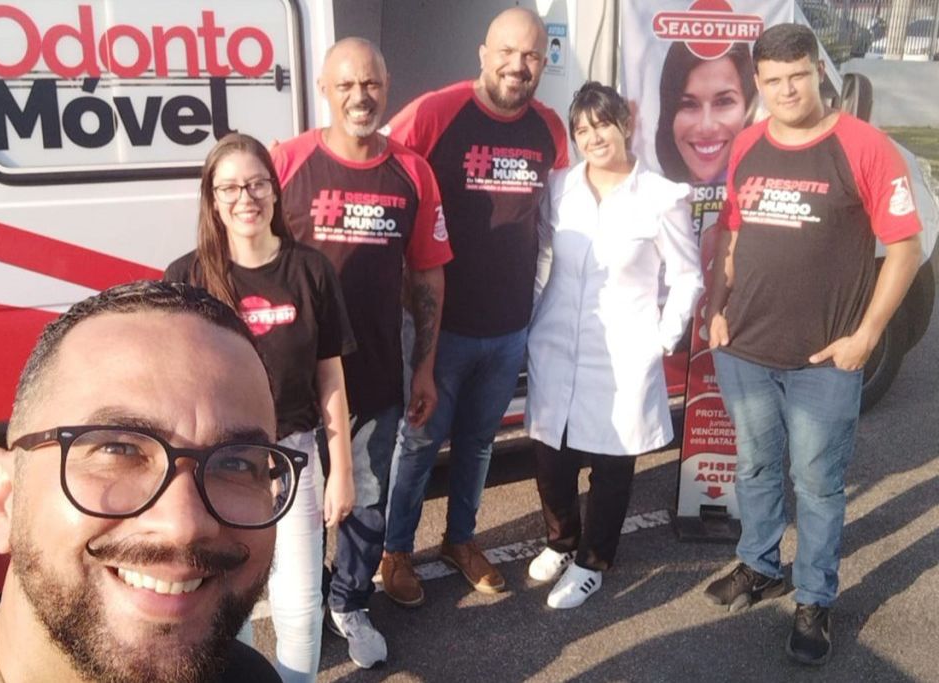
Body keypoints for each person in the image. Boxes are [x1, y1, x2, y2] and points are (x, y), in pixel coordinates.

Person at [0, 280, 295, 683]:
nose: (183, 525)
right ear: (4, 498)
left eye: (236, 463)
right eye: (118, 449)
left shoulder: (246, 675)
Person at [702, 24, 922, 666]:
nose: (786, 90)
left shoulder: (864, 146)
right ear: (758, 83)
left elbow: (904, 249)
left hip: (825, 359)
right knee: (755, 468)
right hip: (746, 349)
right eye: (772, 81)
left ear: (819, 72)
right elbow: (731, 233)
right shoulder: (748, 144)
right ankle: (759, 564)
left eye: (797, 75)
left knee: (819, 485)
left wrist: (867, 336)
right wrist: (716, 308)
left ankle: (815, 598)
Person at [270, 38, 451, 669]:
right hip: (292, 383)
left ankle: (348, 601)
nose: (359, 97)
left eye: (370, 84)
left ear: (387, 86)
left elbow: (427, 276)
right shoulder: (286, 163)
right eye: (345, 85)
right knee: (288, 506)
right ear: (324, 89)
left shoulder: (412, 172)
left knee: (366, 502)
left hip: (373, 375)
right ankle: (299, 600)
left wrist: (423, 367)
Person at [382, 7, 568, 603]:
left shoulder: (550, 128)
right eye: (507, 52)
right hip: (438, 327)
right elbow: (375, 170)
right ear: (484, 55)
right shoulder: (435, 112)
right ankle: (395, 550)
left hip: (510, 325)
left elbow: (571, 211)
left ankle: (459, 540)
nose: (519, 65)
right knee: (418, 443)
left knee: (480, 443)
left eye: (532, 54)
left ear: (544, 61)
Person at [165, 134, 356, 682]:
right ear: (213, 200)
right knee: (228, 608)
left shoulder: (311, 271)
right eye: (229, 187)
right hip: (215, 466)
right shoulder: (186, 278)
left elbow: (330, 376)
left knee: (300, 606)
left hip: (292, 458)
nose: (244, 198)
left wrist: (341, 471)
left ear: (274, 190)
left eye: (256, 184)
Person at [526, 82, 702, 609]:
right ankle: (562, 541)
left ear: (625, 124)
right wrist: (532, 319)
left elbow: (687, 276)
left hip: (624, 352)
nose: (593, 136)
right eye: (582, 129)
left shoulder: (661, 196)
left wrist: (662, 338)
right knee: (551, 456)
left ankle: (592, 562)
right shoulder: (560, 187)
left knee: (611, 463)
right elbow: (541, 254)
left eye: (602, 123)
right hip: (556, 342)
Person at [655, 42, 757, 185]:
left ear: (748, 106)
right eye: (689, 104)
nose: (707, 127)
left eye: (723, 102)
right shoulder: (649, 192)